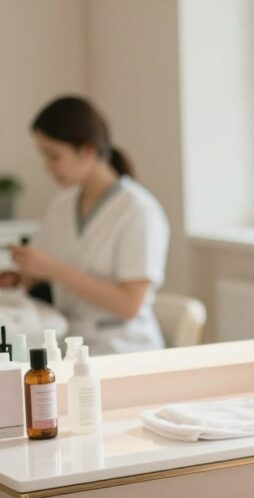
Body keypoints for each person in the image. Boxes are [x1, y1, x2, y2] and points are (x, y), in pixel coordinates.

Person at [5, 95, 170, 354]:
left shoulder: (138, 211)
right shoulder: (62, 204)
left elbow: (130, 304)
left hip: (123, 349)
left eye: (53, 156)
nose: (47, 167)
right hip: (69, 341)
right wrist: (20, 275)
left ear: (88, 150)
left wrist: (54, 270)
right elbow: (39, 270)